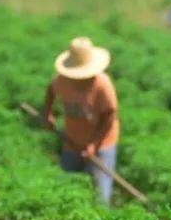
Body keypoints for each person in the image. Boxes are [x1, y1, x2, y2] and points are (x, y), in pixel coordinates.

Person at [43, 36, 119, 206]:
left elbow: (109, 116)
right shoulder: (62, 81)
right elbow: (50, 90)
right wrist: (47, 113)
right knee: (65, 191)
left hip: (102, 144)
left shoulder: (102, 85)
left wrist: (94, 144)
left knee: (100, 198)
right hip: (72, 141)